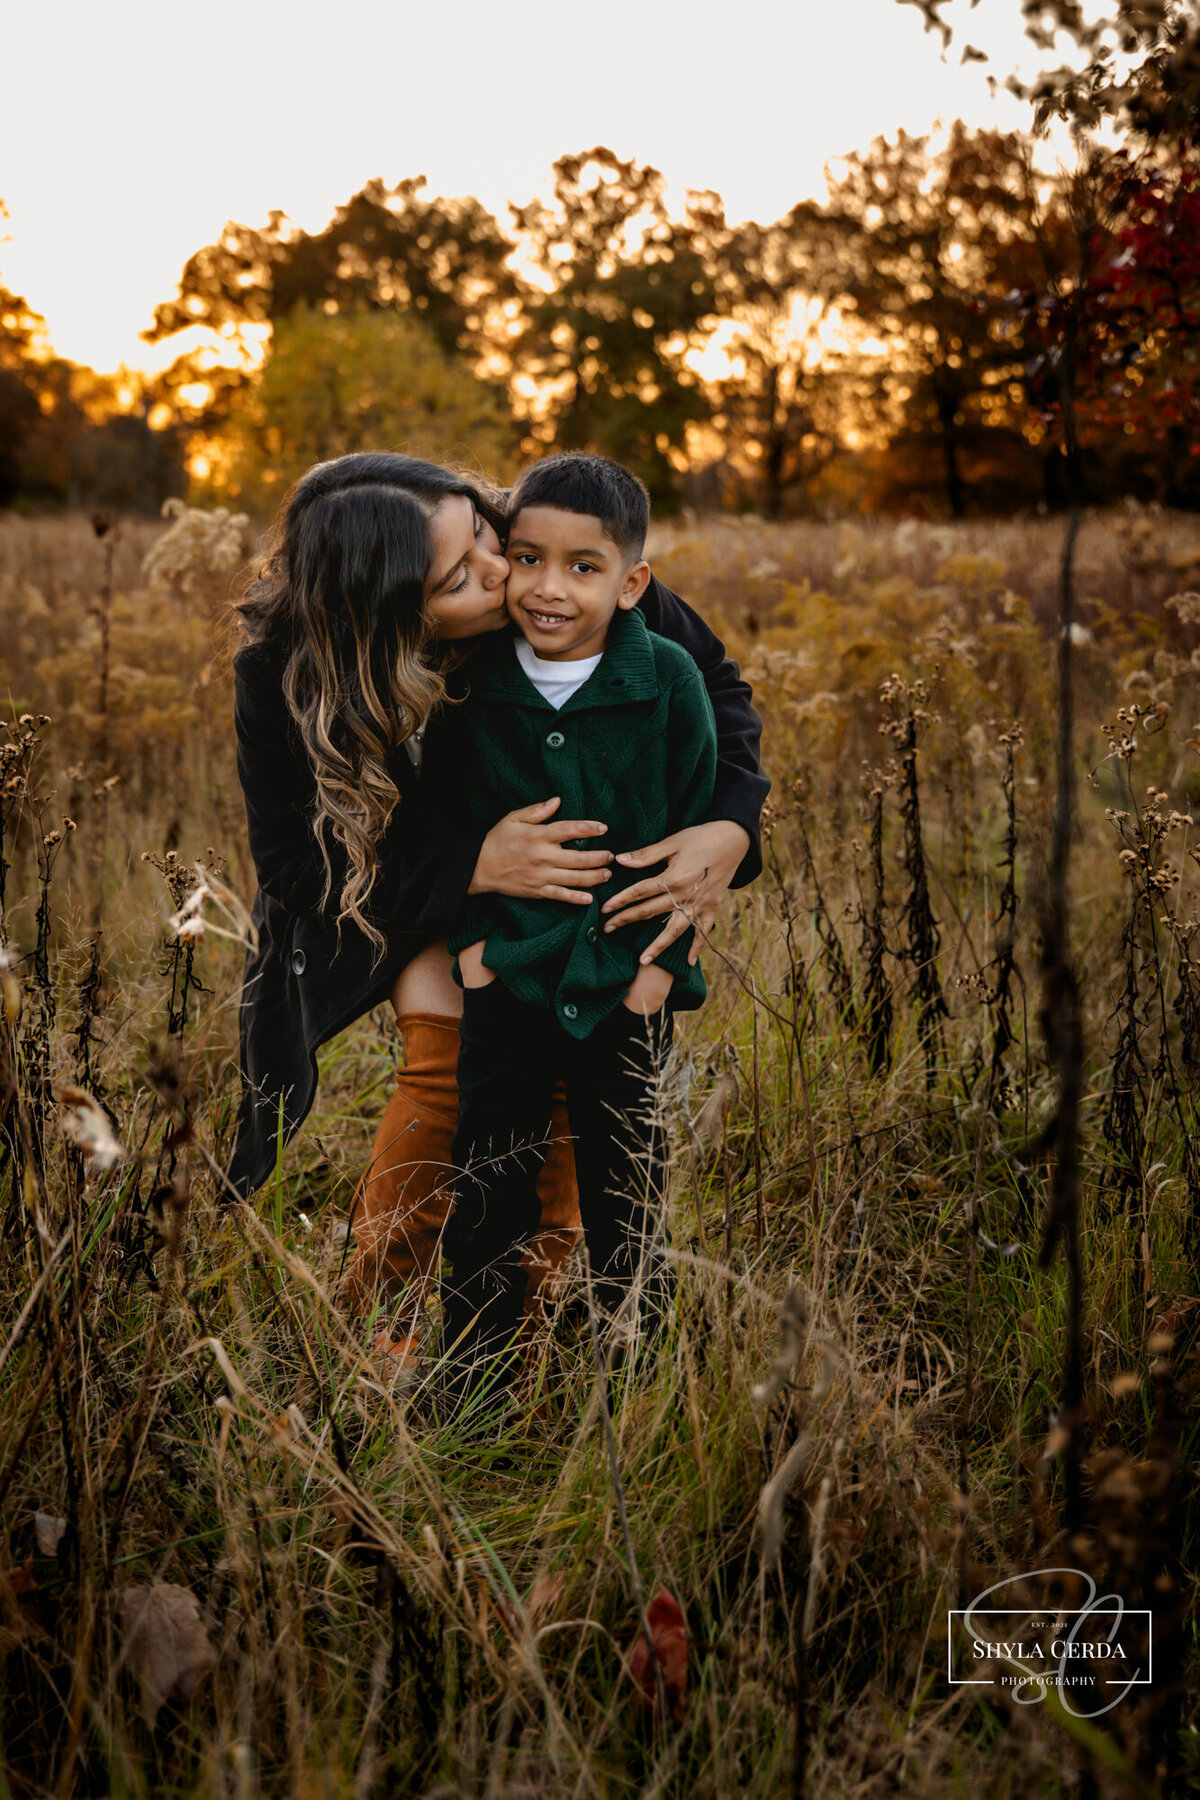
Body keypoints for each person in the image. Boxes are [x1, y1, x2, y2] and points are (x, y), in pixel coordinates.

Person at [228, 451, 769, 1334]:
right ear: (390, 615)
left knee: (570, 1056)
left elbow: (712, 684)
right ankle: (391, 1317)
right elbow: (295, 865)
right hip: (393, 882)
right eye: (459, 577)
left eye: (486, 534)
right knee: (452, 1061)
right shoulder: (286, 670)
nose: (502, 573)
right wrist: (473, 865)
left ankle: (529, 1309)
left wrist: (731, 828)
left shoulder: (558, 559)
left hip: (553, 881)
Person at [431, 453, 718, 1403]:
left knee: (627, 1190)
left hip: (626, 985)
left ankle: (637, 1383)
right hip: (506, 977)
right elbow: (444, 820)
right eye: (528, 559)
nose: (549, 588)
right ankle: (473, 1384)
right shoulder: (470, 682)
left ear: (632, 583)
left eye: (583, 567)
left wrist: (657, 978)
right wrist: (474, 952)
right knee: (489, 1180)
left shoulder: (667, 678)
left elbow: (694, 835)